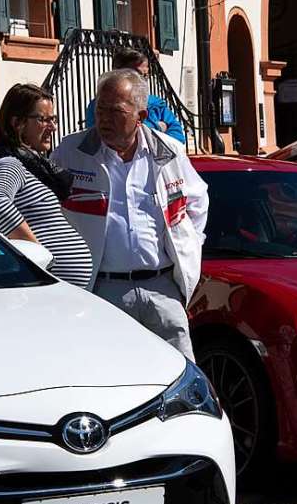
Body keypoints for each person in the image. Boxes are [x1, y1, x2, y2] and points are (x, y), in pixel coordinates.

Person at [53, 68, 207, 360]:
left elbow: (198, 202)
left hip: (162, 289)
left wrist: (190, 246)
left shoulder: (169, 151)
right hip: (102, 290)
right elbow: (49, 209)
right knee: (110, 376)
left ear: (141, 116)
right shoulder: (71, 152)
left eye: (115, 111)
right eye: (100, 109)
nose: (104, 119)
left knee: (180, 375)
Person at [0, 83, 93, 288]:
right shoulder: (9, 163)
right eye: (43, 119)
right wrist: (36, 252)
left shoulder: (31, 166)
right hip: (42, 288)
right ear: (18, 123)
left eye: (53, 119)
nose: (53, 127)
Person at [84, 47, 186, 145]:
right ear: (117, 73)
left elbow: (178, 137)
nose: (143, 80)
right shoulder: (100, 106)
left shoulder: (156, 104)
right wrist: (159, 127)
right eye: (137, 74)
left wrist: (151, 139)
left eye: (146, 75)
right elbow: (105, 139)